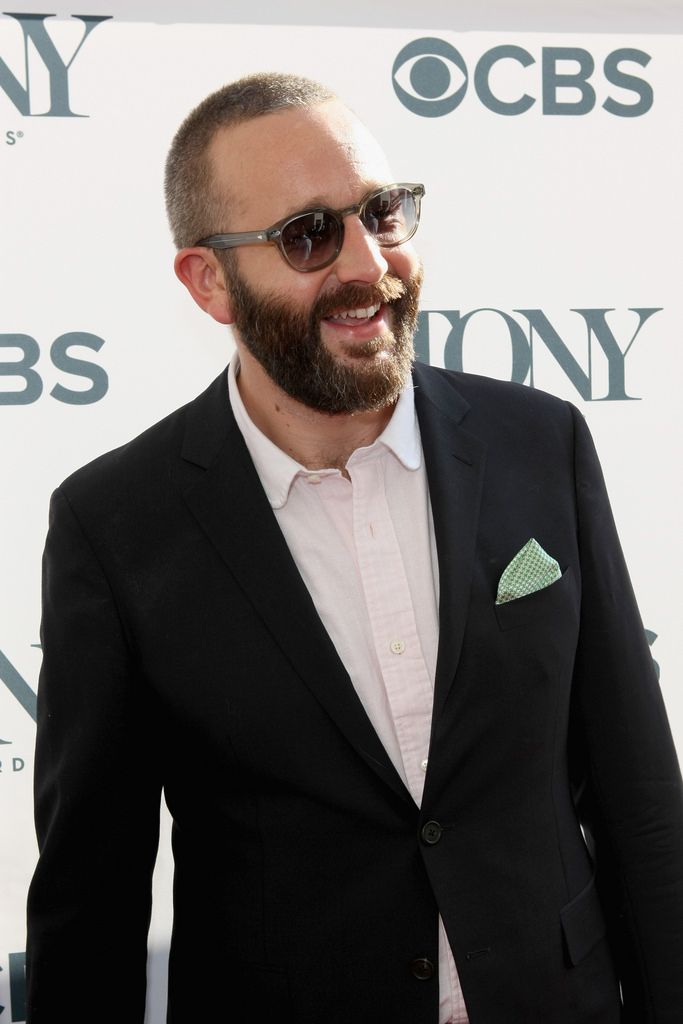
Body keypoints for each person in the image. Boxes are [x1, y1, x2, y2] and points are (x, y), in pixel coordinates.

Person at [26, 72, 683, 1024]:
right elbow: (92, 899)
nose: (367, 263)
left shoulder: (540, 444)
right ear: (209, 280)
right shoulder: (117, 525)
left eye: (382, 211)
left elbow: (639, 801)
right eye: (307, 234)